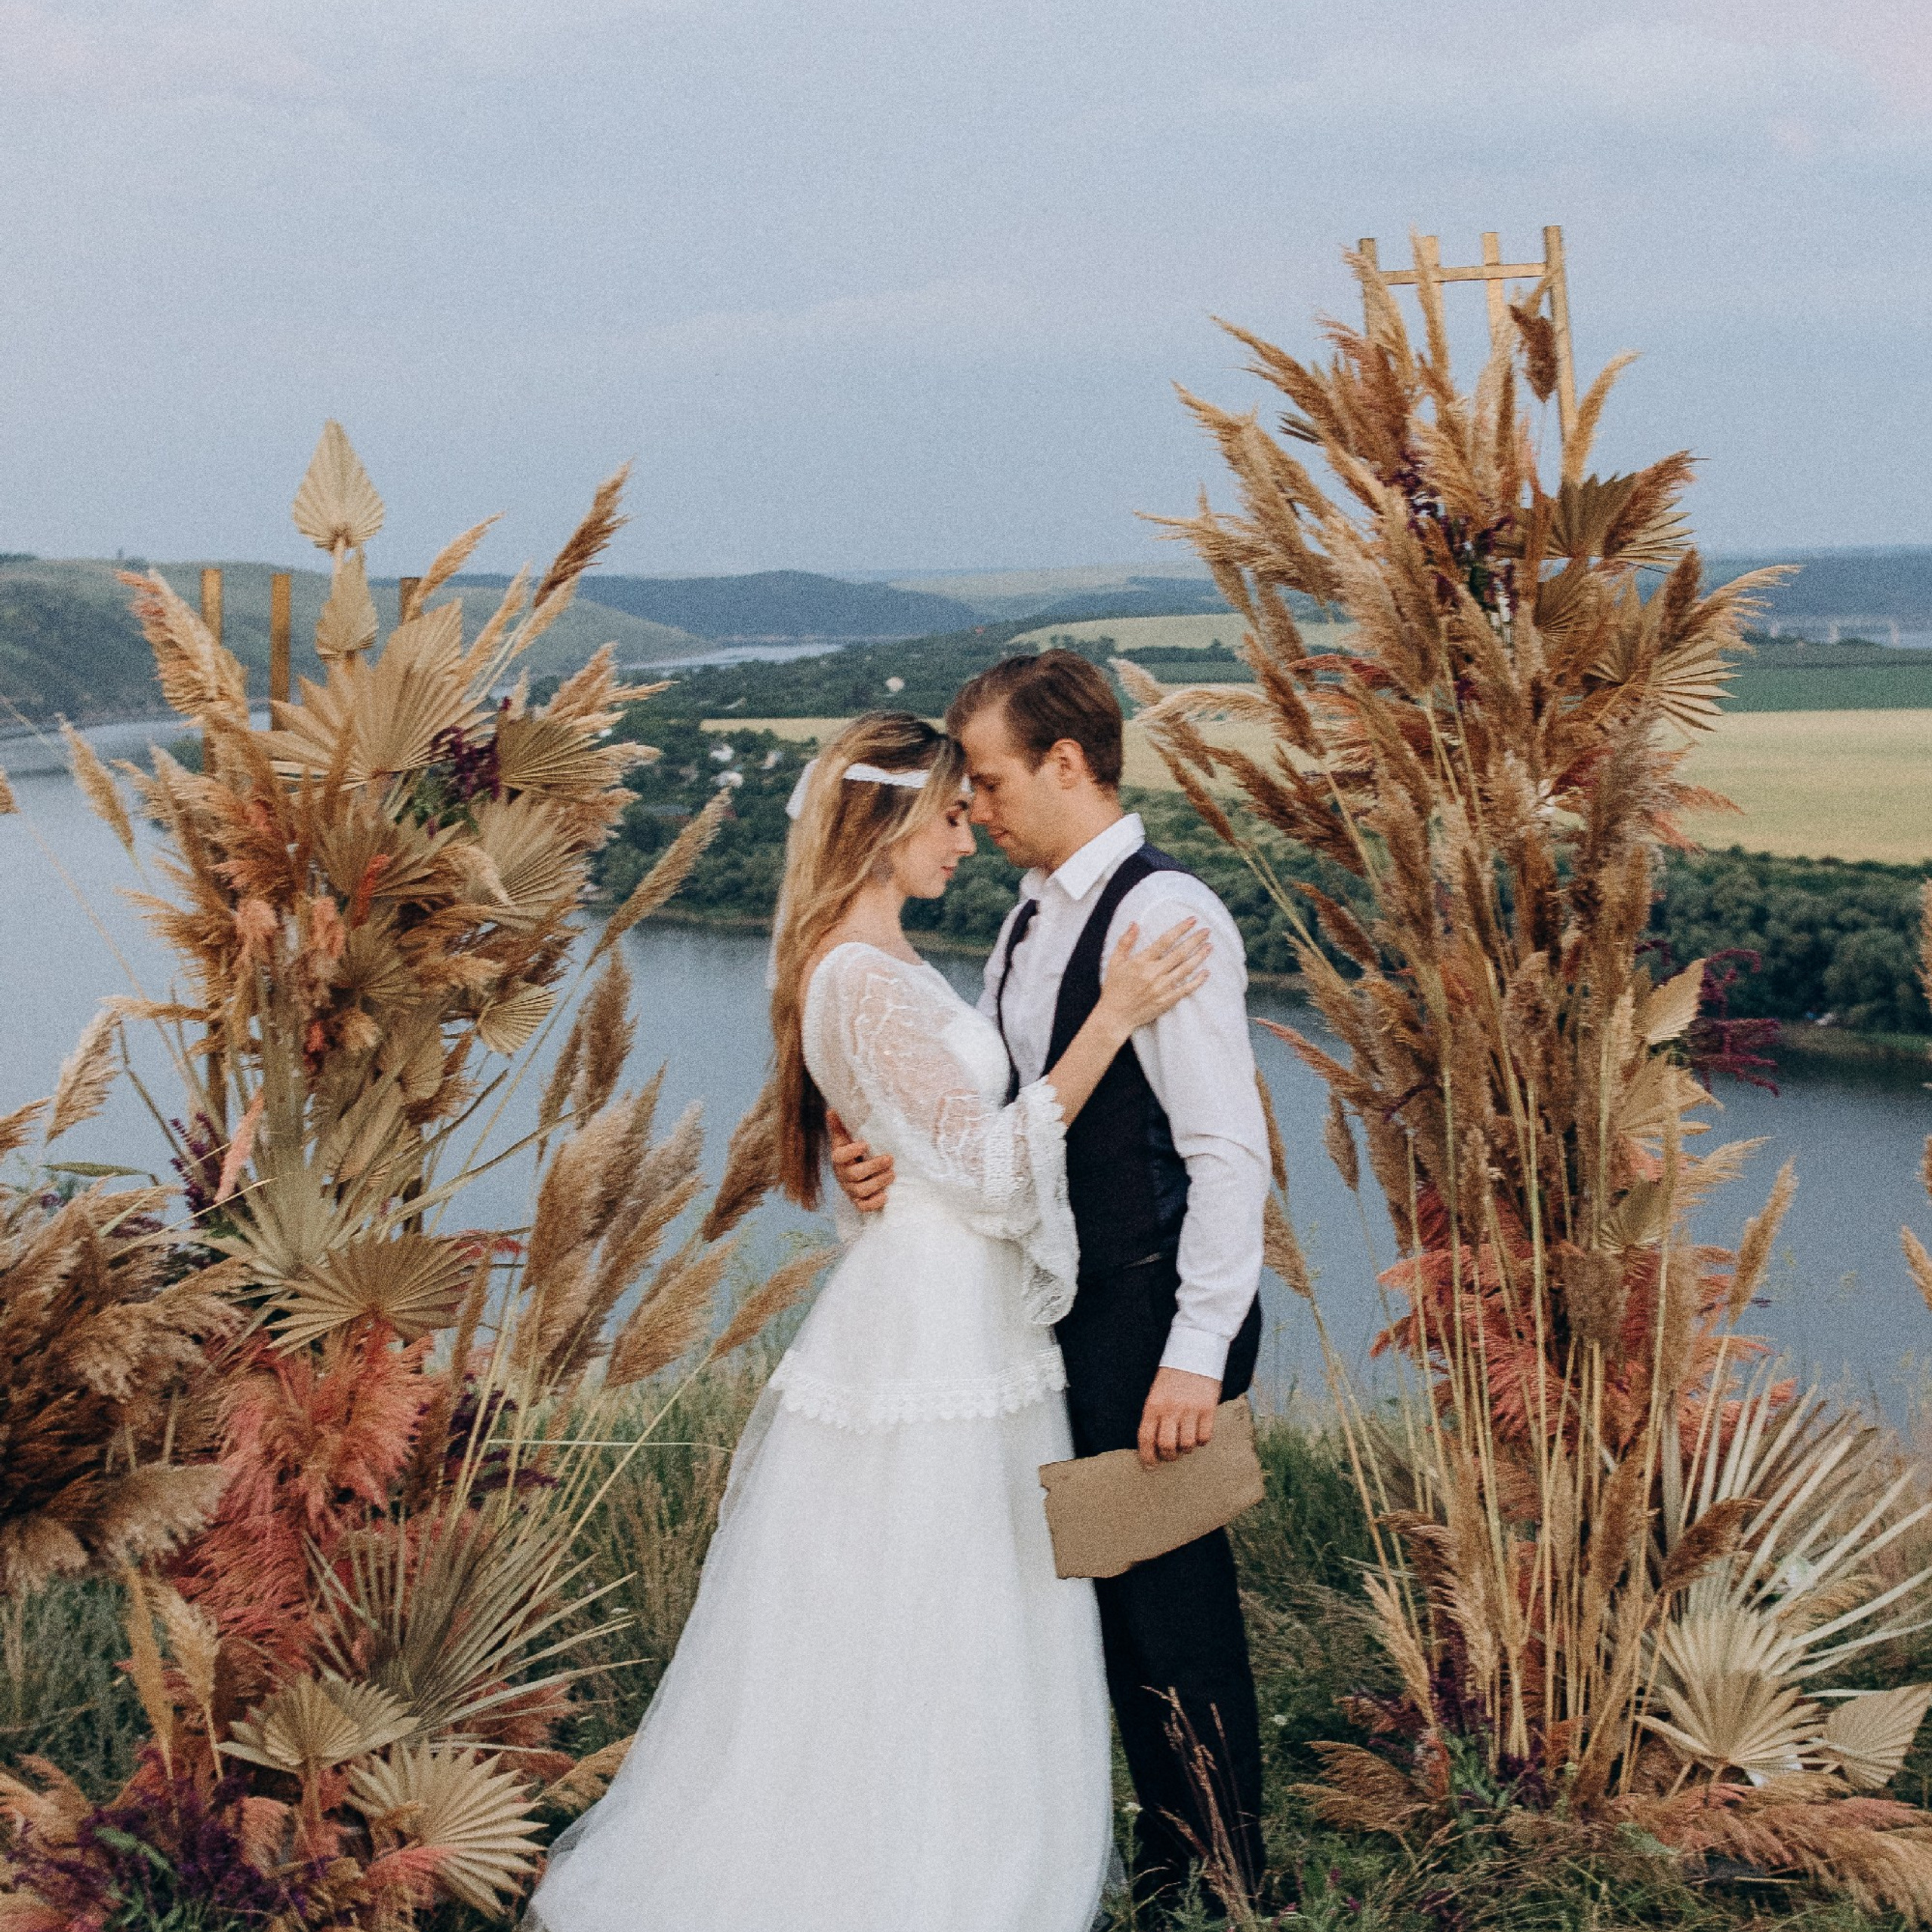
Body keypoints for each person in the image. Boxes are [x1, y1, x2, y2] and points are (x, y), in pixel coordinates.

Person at [525, 711, 1213, 1932]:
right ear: (890, 824)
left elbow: (933, 1151)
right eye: (950, 816)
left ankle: (975, 1836)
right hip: (934, 1325)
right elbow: (997, 1174)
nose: (969, 837)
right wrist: (1111, 1018)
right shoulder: (856, 973)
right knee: (931, 1592)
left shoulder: (882, 964)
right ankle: (909, 1870)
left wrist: (891, 1161)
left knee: (970, 1589)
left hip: (962, 1308)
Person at [832, 652, 1270, 1906]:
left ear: (1068, 764)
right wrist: (889, 1165)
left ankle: (1228, 1885)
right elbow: (1006, 1111)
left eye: (990, 780)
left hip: (1153, 1311)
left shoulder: (1160, 916)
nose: (973, 809)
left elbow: (1225, 1150)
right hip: (1070, 1307)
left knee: (1176, 1606)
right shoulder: (1032, 918)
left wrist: (1196, 1350)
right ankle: (1164, 1862)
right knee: (1110, 1602)